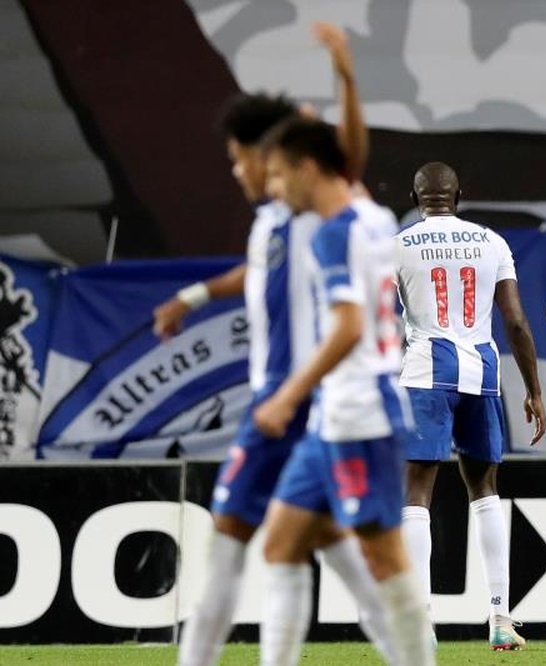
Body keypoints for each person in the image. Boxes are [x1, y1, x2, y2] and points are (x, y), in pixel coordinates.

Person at [152, 24, 391, 666]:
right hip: (284, 404)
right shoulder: (269, 224)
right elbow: (251, 275)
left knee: (239, 550)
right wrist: (193, 298)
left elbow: (349, 157)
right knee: (323, 553)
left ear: (271, 156)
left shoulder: (315, 209)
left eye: (239, 158)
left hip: (301, 405)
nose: (236, 171)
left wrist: (345, 77)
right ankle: (409, 650)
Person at [253, 117, 434, 666]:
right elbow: (348, 158)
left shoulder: (334, 233)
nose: (275, 190)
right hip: (335, 413)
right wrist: (340, 86)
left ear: (311, 170)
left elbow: (349, 327)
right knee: (281, 543)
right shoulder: (376, 218)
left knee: (384, 562)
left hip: (362, 412)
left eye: (282, 175)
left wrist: (288, 395)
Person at [395, 162, 546, 650]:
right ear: (459, 194)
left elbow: (376, 318)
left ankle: (419, 623)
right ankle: (501, 618)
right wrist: (534, 390)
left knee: (416, 492)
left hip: (424, 373)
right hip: (480, 374)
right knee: (484, 490)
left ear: (416, 197)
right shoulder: (491, 242)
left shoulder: (396, 245)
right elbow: (518, 322)